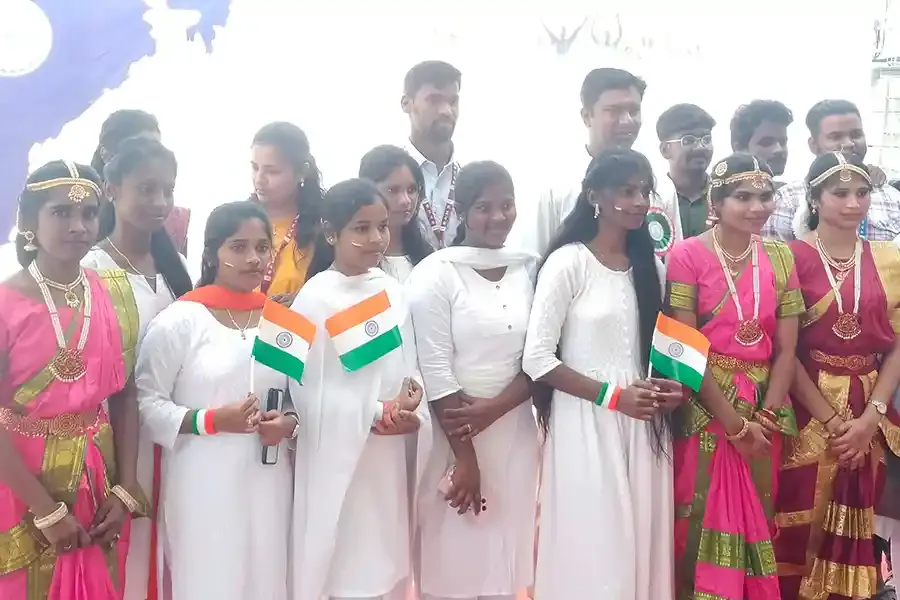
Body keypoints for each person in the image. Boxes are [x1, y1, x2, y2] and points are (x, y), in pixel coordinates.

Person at [522, 149, 683, 600]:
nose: (639, 201)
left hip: (644, 423)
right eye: (626, 191)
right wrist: (614, 397)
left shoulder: (650, 267)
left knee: (642, 542)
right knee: (597, 544)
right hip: (586, 420)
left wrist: (671, 391)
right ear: (595, 196)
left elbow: (655, 351)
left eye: (644, 191)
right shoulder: (568, 263)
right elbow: (537, 360)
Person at [135, 200, 294, 600]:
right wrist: (210, 421)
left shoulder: (281, 322)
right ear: (211, 254)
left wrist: (289, 424)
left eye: (262, 247)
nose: (254, 258)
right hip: (202, 485)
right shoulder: (181, 321)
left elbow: (299, 398)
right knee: (209, 580)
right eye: (239, 247)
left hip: (269, 482)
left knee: (267, 579)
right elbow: (146, 405)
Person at [0, 161, 142, 599]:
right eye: (61, 212)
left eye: (88, 214)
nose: (78, 225)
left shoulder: (115, 292)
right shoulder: (6, 303)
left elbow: (125, 393)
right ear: (30, 221)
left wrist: (126, 487)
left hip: (97, 477)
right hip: (20, 479)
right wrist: (45, 510)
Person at [666, 153, 803, 599]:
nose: (757, 207)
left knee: (758, 517)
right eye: (743, 197)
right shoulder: (687, 255)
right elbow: (685, 348)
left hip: (765, 408)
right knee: (695, 518)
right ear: (717, 202)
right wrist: (734, 424)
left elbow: (787, 351)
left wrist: (764, 418)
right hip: (706, 406)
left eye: (765, 197)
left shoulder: (780, 257)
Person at [289, 178, 427, 600]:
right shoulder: (313, 299)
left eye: (382, 226)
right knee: (344, 566)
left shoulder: (390, 289)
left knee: (384, 564)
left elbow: (408, 366)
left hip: (387, 455)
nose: (376, 238)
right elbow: (303, 392)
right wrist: (375, 412)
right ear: (332, 233)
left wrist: (411, 403)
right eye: (361, 228)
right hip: (338, 457)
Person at [408, 161, 539, 600]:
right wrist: (466, 459)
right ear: (461, 210)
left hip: (514, 429)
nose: (498, 217)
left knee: (503, 561)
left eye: (507, 205)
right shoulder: (436, 273)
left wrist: (497, 408)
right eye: (484, 208)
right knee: (454, 559)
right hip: (454, 434)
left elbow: (542, 356)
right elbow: (435, 368)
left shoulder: (527, 268)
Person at [774, 152, 900, 600]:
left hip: (868, 406)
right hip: (805, 407)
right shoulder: (787, 258)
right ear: (814, 198)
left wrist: (870, 419)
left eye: (862, 192)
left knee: (862, 525)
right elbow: (783, 351)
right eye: (840, 192)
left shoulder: (889, 258)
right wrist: (831, 419)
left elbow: (897, 345)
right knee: (794, 523)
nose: (853, 203)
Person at [82, 135, 192, 600]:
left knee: (171, 545)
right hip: (116, 437)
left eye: (168, 190)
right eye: (146, 189)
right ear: (111, 189)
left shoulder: (176, 266)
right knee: (124, 551)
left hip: (175, 432)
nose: (160, 202)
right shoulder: (90, 269)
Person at [513, 68, 652, 257]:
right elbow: (533, 258)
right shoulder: (555, 185)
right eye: (614, 111)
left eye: (634, 111)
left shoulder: (658, 183)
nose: (627, 121)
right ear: (587, 116)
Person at [763, 100, 900, 241]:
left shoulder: (892, 198)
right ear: (814, 145)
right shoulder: (787, 201)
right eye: (836, 137)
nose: (849, 143)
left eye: (856, 134)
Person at [91, 109, 191, 255]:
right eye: (138, 151)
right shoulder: (80, 216)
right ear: (105, 154)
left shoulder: (174, 222)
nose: (151, 158)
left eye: (156, 149)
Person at [250, 121, 324, 302]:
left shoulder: (323, 227)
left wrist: (303, 300)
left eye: (272, 172)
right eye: (255, 168)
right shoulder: (239, 221)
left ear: (302, 172)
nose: (259, 179)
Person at [402, 60, 464, 249]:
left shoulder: (469, 177)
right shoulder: (386, 178)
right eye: (434, 100)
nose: (446, 111)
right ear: (406, 104)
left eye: (453, 101)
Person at [358, 144, 434, 282]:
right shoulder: (352, 261)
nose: (406, 200)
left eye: (411, 190)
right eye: (393, 190)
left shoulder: (430, 258)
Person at [653, 103, 716, 248]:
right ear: (664, 150)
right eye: (688, 140)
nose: (701, 147)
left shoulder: (725, 195)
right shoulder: (653, 199)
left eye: (706, 139)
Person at [729, 100, 794, 186]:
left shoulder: (791, 192)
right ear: (739, 149)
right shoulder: (720, 192)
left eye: (783, 142)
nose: (779, 149)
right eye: (766, 143)